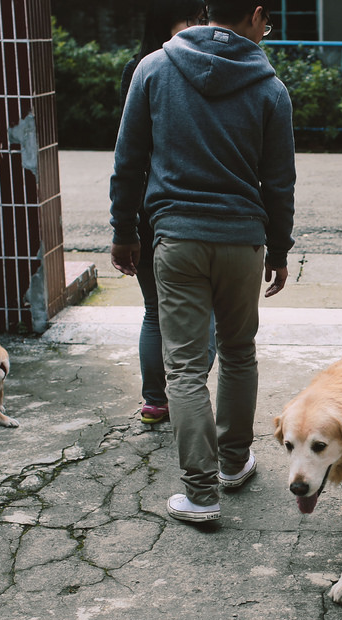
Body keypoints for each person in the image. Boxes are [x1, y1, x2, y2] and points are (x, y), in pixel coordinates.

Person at [110, 1, 295, 523]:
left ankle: (201, 494)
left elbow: (128, 161)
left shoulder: (153, 68)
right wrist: (278, 249)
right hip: (243, 240)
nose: (269, 28)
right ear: (256, 14)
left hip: (177, 238)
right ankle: (235, 463)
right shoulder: (270, 87)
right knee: (238, 353)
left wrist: (124, 233)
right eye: (268, 19)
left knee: (185, 368)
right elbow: (279, 181)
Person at [119, 0, 216, 426]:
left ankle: (159, 399)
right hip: (180, 212)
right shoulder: (210, 64)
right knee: (184, 309)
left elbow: (129, 156)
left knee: (157, 311)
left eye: (202, 19)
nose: (200, 27)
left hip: (150, 209)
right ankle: (179, 391)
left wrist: (124, 226)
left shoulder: (139, 69)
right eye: (193, 19)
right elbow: (130, 157)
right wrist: (124, 229)